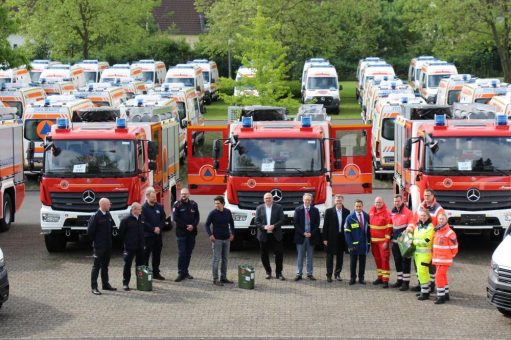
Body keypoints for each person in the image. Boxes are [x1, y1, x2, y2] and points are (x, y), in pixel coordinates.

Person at [413, 189, 445, 292]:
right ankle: (422, 284)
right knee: (419, 266)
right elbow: (414, 221)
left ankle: (431, 285)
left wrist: (433, 235)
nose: (426, 197)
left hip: (431, 244)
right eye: (425, 195)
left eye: (428, 195)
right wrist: (410, 230)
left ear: (433, 196)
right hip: (419, 246)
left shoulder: (438, 209)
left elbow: (442, 224)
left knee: (430, 266)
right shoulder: (421, 206)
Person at [87, 197, 116, 295]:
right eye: (108, 204)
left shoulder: (108, 214)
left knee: (105, 266)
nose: (110, 206)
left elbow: (112, 227)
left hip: (108, 245)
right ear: (102, 205)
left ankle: (105, 284)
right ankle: (94, 287)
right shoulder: (96, 216)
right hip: (99, 246)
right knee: (96, 267)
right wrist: (97, 242)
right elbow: (90, 231)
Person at [204, 195, 235, 286]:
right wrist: (210, 235)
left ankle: (223, 277)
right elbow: (206, 225)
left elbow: (232, 223)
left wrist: (232, 233)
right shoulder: (212, 213)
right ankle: (215, 279)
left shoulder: (228, 212)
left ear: (223, 204)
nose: (216, 205)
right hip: (217, 240)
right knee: (216, 259)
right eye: (215, 204)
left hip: (227, 239)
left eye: (218, 203)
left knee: (225, 259)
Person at [255, 192, 286, 280]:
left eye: (269, 198)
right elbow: (256, 222)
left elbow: (282, 219)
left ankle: (279, 273)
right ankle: (268, 272)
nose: (268, 199)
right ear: (263, 199)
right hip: (264, 235)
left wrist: (274, 226)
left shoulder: (278, 207)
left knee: (279, 254)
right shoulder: (259, 208)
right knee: (264, 255)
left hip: (276, 234)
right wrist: (264, 227)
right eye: (266, 198)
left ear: (272, 199)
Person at [173, 188, 200, 282]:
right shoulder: (177, 205)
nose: (183, 195)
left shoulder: (193, 204)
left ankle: (186, 272)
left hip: (192, 233)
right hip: (181, 234)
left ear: (189, 194)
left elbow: (197, 217)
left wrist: (193, 225)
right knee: (182, 253)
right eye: (182, 194)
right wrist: (186, 226)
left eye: (185, 194)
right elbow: (175, 218)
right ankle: (181, 273)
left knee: (188, 254)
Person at [322, 194, 350, 282]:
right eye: (337, 200)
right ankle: (329, 275)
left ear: (342, 201)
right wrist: (325, 239)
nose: (338, 202)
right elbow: (325, 226)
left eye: (340, 201)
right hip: (331, 238)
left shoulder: (347, 211)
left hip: (342, 238)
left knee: (340, 257)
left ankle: (337, 274)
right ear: (334, 201)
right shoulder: (329, 211)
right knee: (329, 257)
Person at [293, 193, 321, 281]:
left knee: (310, 256)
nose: (307, 201)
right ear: (303, 200)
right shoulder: (298, 210)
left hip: (311, 236)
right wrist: (303, 233)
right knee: (300, 256)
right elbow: (295, 223)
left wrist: (311, 233)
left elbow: (317, 224)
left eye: (309, 200)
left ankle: (309, 274)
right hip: (301, 236)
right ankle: (299, 274)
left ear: (311, 200)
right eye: (306, 200)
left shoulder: (315, 210)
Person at [432, 212, 458, 304]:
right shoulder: (437, 230)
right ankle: (446, 294)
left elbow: (454, 247)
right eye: (439, 219)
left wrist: (451, 256)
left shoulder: (450, 233)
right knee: (443, 276)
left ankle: (441, 296)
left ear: (446, 220)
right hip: (437, 259)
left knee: (438, 276)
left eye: (443, 219)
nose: (441, 220)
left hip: (445, 259)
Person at [390, 194, 415, 291]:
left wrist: (407, 232)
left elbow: (412, 223)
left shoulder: (408, 212)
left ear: (402, 202)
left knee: (406, 262)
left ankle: (406, 283)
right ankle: (399, 280)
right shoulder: (392, 212)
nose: (396, 203)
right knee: (397, 261)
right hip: (395, 241)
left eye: (398, 201)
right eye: (395, 201)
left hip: (405, 240)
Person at [119, 202, 145, 291]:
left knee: (140, 266)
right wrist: (127, 242)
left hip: (140, 247)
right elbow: (121, 233)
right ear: (134, 210)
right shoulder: (126, 220)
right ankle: (125, 283)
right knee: (127, 265)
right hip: (130, 247)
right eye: (139, 209)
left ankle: (141, 283)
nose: (141, 210)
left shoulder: (141, 218)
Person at [142, 187, 166, 280]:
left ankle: (156, 273)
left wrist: (159, 227)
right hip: (147, 237)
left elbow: (163, 218)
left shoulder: (159, 206)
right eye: (153, 198)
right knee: (146, 256)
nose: (155, 199)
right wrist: (153, 229)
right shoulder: (143, 208)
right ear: (147, 196)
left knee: (157, 255)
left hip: (157, 236)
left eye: (155, 197)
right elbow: (143, 221)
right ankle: (146, 275)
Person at [368, 197, 393, 288]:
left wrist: (386, 241)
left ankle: (385, 280)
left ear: (383, 203)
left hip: (383, 242)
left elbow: (389, 229)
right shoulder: (371, 212)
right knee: (377, 260)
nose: (378, 204)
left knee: (384, 260)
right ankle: (380, 277)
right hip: (374, 241)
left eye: (379, 202)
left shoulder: (387, 214)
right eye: (376, 202)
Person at [345, 200, 370, 285]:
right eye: (357, 206)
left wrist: (369, 243)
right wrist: (350, 244)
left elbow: (369, 231)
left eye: (360, 206)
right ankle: (352, 278)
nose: (358, 208)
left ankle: (361, 278)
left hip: (363, 244)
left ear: (362, 206)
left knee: (362, 262)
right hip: (354, 245)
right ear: (354, 207)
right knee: (353, 263)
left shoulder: (366, 216)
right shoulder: (350, 217)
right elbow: (347, 232)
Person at [413, 209, 435, 301]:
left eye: (424, 216)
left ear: (428, 216)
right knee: (420, 273)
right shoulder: (418, 226)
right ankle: (424, 290)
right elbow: (414, 237)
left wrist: (415, 242)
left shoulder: (431, 227)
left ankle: (425, 293)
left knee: (422, 272)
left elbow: (427, 241)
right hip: (417, 254)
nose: (423, 217)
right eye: (421, 216)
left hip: (425, 254)